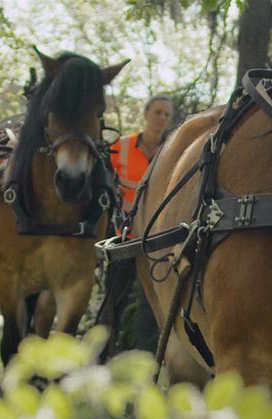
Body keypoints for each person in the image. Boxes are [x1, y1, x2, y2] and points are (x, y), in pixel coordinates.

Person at [100, 94, 173, 359]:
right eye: (157, 112)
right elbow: (105, 185)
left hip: (157, 241)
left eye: (166, 114)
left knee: (151, 309)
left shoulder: (173, 151)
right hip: (124, 238)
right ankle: (97, 362)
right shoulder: (122, 147)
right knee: (111, 304)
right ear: (145, 114)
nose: (162, 118)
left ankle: (147, 367)